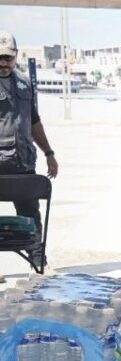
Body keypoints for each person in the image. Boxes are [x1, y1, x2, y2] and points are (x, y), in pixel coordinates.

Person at [0, 30, 58, 272]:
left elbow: (34, 121)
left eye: (8, 57)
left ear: (15, 55)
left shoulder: (24, 82)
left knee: (30, 214)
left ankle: (38, 260)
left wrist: (49, 152)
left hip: (22, 161)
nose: (3, 63)